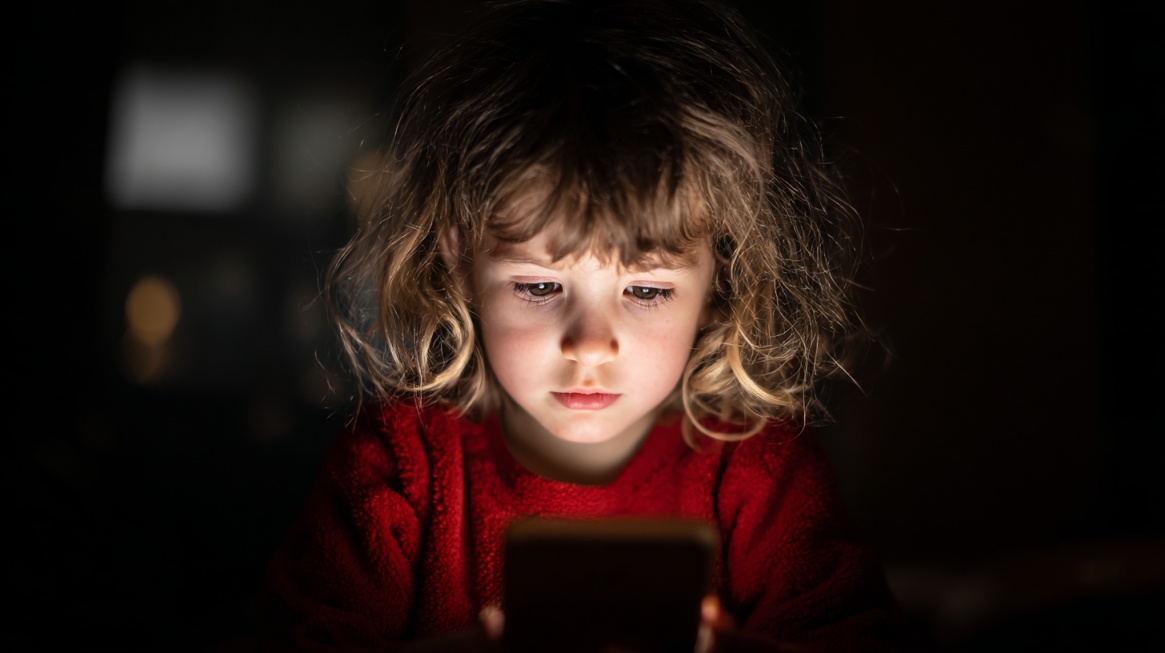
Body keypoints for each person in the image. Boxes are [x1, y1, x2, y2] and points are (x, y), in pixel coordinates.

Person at [261, 0, 918, 651]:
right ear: (460, 261)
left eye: (645, 290)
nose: (590, 344)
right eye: (540, 286)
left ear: (719, 279)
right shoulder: (397, 467)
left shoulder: (759, 471)